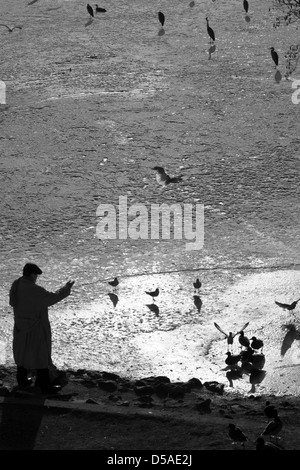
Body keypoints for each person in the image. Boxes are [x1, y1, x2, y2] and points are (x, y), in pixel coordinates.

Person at [9, 263, 75, 394]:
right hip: (35, 328)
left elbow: (12, 302)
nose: (36, 278)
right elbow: (52, 298)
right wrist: (66, 288)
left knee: (21, 354)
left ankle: (22, 382)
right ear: (33, 275)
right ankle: (43, 384)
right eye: (36, 276)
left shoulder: (16, 284)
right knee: (41, 354)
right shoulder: (34, 290)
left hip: (20, 326)